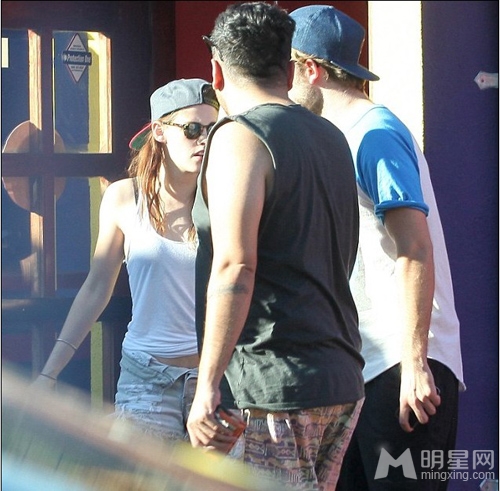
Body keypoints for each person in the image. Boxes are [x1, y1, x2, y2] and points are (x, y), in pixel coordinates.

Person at [186, 2, 365, 489]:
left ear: (216, 72)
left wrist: (206, 385)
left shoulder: (239, 137)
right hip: (339, 375)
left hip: (270, 385)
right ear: (288, 71)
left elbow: (234, 267)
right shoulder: (331, 137)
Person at [288, 5, 465, 490]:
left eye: (286, 65)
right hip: (364, 369)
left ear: (311, 69)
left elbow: (415, 247)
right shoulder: (345, 136)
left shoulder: (374, 134)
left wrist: (415, 362)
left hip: (400, 369)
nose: (281, 83)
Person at [34, 78, 220, 443]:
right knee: (139, 474)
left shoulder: (226, 197)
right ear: (160, 132)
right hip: (147, 379)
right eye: (192, 129)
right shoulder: (125, 198)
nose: (203, 140)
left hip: (215, 379)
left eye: (212, 130)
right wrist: (49, 373)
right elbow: (96, 288)